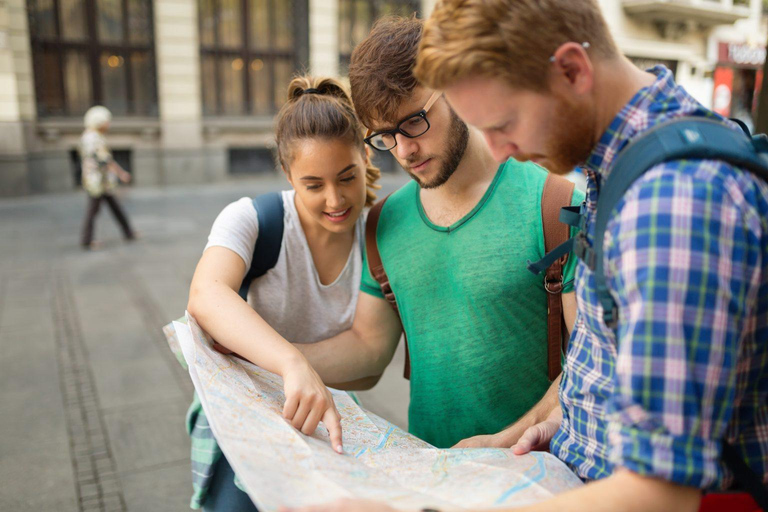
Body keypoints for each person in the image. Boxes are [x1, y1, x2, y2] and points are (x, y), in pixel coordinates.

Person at [287, 1, 768, 511]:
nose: (497, 151)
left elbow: (659, 494)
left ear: (571, 70)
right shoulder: (623, 168)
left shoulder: (671, 202)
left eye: (505, 121)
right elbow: (606, 367)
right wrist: (550, 426)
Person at [291, 16, 584, 451]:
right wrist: (273, 358)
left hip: (538, 473)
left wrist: (506, 441)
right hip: (434, 475)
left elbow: (594, 362)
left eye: (414, 122)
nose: (404, 150)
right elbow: (369, 349)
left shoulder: (558, 204)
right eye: (385, 136)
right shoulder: (384, 221)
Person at [184, 76, 381, 511]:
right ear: (288, 173)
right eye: (313, 185)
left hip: (326, 423)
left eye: (348, 177)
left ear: (366, 156)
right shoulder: (253, 219)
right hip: (246, 427)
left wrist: (257, 355)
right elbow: (206, 293)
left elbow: (369, 362)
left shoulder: (378, 238)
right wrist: (291, 364)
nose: (335, 199)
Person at [79, 105, 136, 249]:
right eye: (106, 121)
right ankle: (86, 240)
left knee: (113, 206)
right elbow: (104, 159)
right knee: (93, 210)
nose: (108, 124)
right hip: (97, 181)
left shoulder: (94, 136)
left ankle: (128, 232)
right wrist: (121, 173)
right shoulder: (92, 137)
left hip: (102, 181)